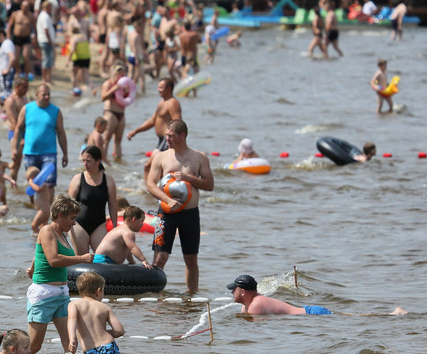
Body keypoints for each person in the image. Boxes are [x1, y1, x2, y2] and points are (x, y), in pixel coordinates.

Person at [23, 195, 93, 354]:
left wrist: (32, 266)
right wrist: (81, 258)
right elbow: (53, 259)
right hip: (43, 294)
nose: (75, 223)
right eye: (72, 218)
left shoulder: (63, 234)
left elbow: (41, 252)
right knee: (34, 346)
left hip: (62, 295)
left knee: (70, 343)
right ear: (60, 215)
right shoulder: (47, 230)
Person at [146, 119, 213, 293]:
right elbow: (150, 185)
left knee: (191, 260)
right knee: (160, 258)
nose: (166, 138)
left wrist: (189, 178)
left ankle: (192, 297)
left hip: (190, 214)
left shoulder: (199, 157)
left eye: (170, 135)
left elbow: (209, 184)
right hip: (165, 214)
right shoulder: (161, 157)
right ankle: (154, 294)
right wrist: (168, 201)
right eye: (166, 135)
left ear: (182, 136)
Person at [12, 83, 68, 228]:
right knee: (32, 183)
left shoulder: (55, 111)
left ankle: (47, 214)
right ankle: (37, 210)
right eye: (44, 94)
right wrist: (14, 148)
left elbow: (61, 133)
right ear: (37, 95)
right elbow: (18, 129)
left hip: (49, 153)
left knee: (49, 184)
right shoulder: (27, 109)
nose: (47, 96)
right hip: (30, 152)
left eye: (49, 94)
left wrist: (65, 154)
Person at [127, 77, 182, 177]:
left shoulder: (173, 103)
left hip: (167, 141)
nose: (158, 90)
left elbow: (178, 124)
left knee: (148, 166)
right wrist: (135, 131)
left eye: (161, 87)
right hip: (161, 141)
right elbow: (152, 121)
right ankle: (153, 189)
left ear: (169, 89)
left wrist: (174, 144)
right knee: (155, 169)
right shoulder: (162, 103)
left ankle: (148, 189)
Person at [67, 145, 117, 255]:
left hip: (99, 225)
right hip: (79, 224)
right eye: (83, 160)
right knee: (82, 259)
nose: (85, 164)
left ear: (98, 161)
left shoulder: (108, 181)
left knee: (102, 258)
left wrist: (114, 226)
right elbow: (68, 204)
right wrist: (65, 225)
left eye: (88, 161)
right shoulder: (77, 179)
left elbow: (112, 205)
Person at [227, 274, 332, 315]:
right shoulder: (247, 305)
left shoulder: (255, 305)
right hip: (309, 311)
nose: (232, 292)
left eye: (234, 289)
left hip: (312, 314)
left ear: (242, 292)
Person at [99, 62, 128, 160]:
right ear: (115, 74)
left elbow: (128, 99)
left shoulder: (125, 86)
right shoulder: (108, 84)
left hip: (121, 114)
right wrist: (113, 89)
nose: (122, 76)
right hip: (110, 113)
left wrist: (126, 92)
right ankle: (102, 161)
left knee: (118, 141)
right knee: (106, 140)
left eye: (124, 74)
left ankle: (118, 162)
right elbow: (102, 97)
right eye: (120, 74)